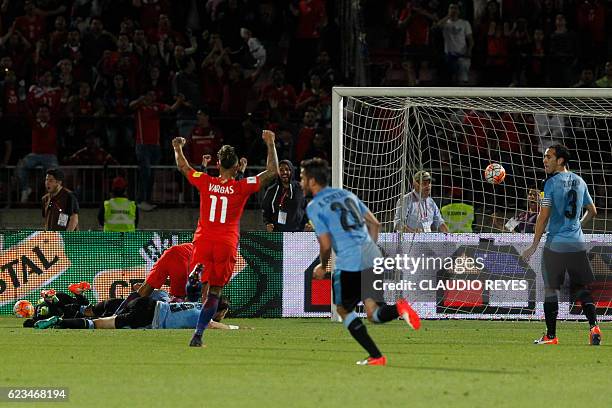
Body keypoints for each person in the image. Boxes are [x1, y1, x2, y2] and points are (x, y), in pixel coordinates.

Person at [301, 158, 420, 366]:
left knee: (343, 310)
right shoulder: (348, 195)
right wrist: (368, 250)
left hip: (349, 261)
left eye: (302, 178)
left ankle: (377, 356)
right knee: (374, 314)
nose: (300, 182)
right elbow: (375, 223)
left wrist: (323, 266)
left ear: (312, 181)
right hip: (373, 255)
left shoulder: (315, 206)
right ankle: (400, 308)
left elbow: (326, 244)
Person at [172, 129, 279, 347]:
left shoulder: (205, 181)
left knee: (198, 284)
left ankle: (194, 280)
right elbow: (272, 171)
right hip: (226, 243)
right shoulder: (241, 186)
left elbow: (184, 167)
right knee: (215, 292)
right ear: (237, 166)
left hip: (203, 239)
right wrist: (270, 144)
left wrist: (177, 148)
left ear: (218, 164)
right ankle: (198, 335)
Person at [522, 144, 600, 345]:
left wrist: (533, 244)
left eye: (549, 157)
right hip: (576, 244)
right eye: (544, 157)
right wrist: (577, 228)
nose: (544, 160)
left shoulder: (551, 183)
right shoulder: (580, 181)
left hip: (555, 244)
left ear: (561, 160)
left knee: (551, 289)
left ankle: (551, 336)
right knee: (581, 288)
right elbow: (593, 211)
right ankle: (594, 327)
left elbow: (543, 215)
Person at [34, 296, 236, 330]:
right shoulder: (205, 316)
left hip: (146, 303)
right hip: (147, 314)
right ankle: (59, 321)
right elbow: (211, 325)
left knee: (99, 319)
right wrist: (232, 328)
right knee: (97, 324)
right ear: (221, 311)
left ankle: (61, 319)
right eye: (224, 314)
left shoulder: (196, 305)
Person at [261, 160, 305, 232]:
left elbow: (307, 208)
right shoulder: (271, 190)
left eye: (287, 169)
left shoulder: (301, 188)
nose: (284, 172)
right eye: (281, 170)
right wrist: (268, 223)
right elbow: (265, 210)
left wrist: (308, 223)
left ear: (292, 171)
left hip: (297, 233)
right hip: (277, 233)